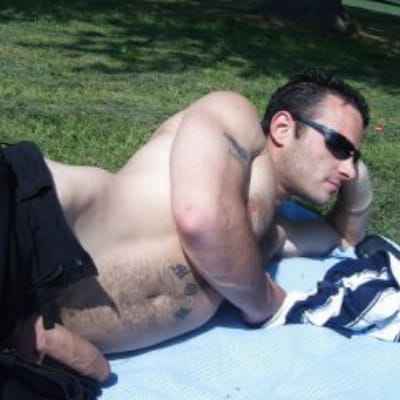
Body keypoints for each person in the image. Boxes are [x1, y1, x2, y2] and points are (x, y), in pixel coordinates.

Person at [2, 69, 372, 378]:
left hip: (20, 317)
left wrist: (359, 177)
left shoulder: (273, 233)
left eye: (354, 157)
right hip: (27, 216)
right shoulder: (234, 117)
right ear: (282, 126)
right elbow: (201, 219)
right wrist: (267, 301)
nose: (348, 168)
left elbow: (343, 237)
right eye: (339, 146)